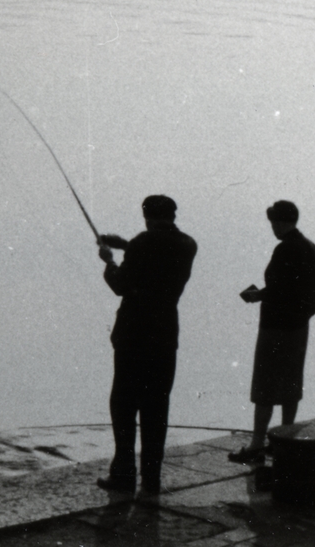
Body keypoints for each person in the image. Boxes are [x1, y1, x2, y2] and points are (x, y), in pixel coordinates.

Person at [95, 194, 197, 496]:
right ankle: (151, 479)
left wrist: (109, 260)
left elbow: (120, 285)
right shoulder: (188, 244)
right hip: (165, 334)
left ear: (146, 215)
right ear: (173, 215)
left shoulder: (142, 243)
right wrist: (127, 245)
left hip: (133, 335)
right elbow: (159, 256)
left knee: (124, 405)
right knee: (157, 407)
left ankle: (124, 474)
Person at [228, 200, 315, 464]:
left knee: (265, 385)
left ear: (281, 222)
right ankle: (285, 438)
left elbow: (282, 287)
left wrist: (258, 294)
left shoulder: (285, 249)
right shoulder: (309, 246)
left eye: (273, 222)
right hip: (298, 326)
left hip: (276, 327)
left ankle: (257, 444)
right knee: (291, 382)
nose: (272, 227)